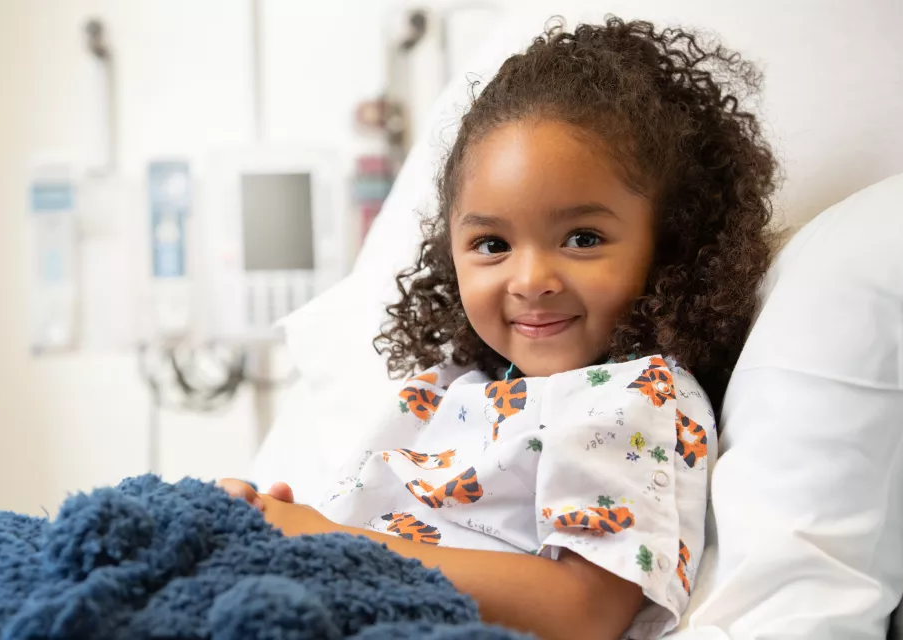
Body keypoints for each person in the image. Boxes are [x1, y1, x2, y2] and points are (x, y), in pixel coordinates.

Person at [220, 16, 776, 640]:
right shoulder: (449, 388)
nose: (531, 278)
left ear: (668, 247)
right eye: (491, 243)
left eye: (582, 238)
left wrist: (325, 541)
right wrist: (273, 522)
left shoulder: (637, 400)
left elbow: (583, 610)